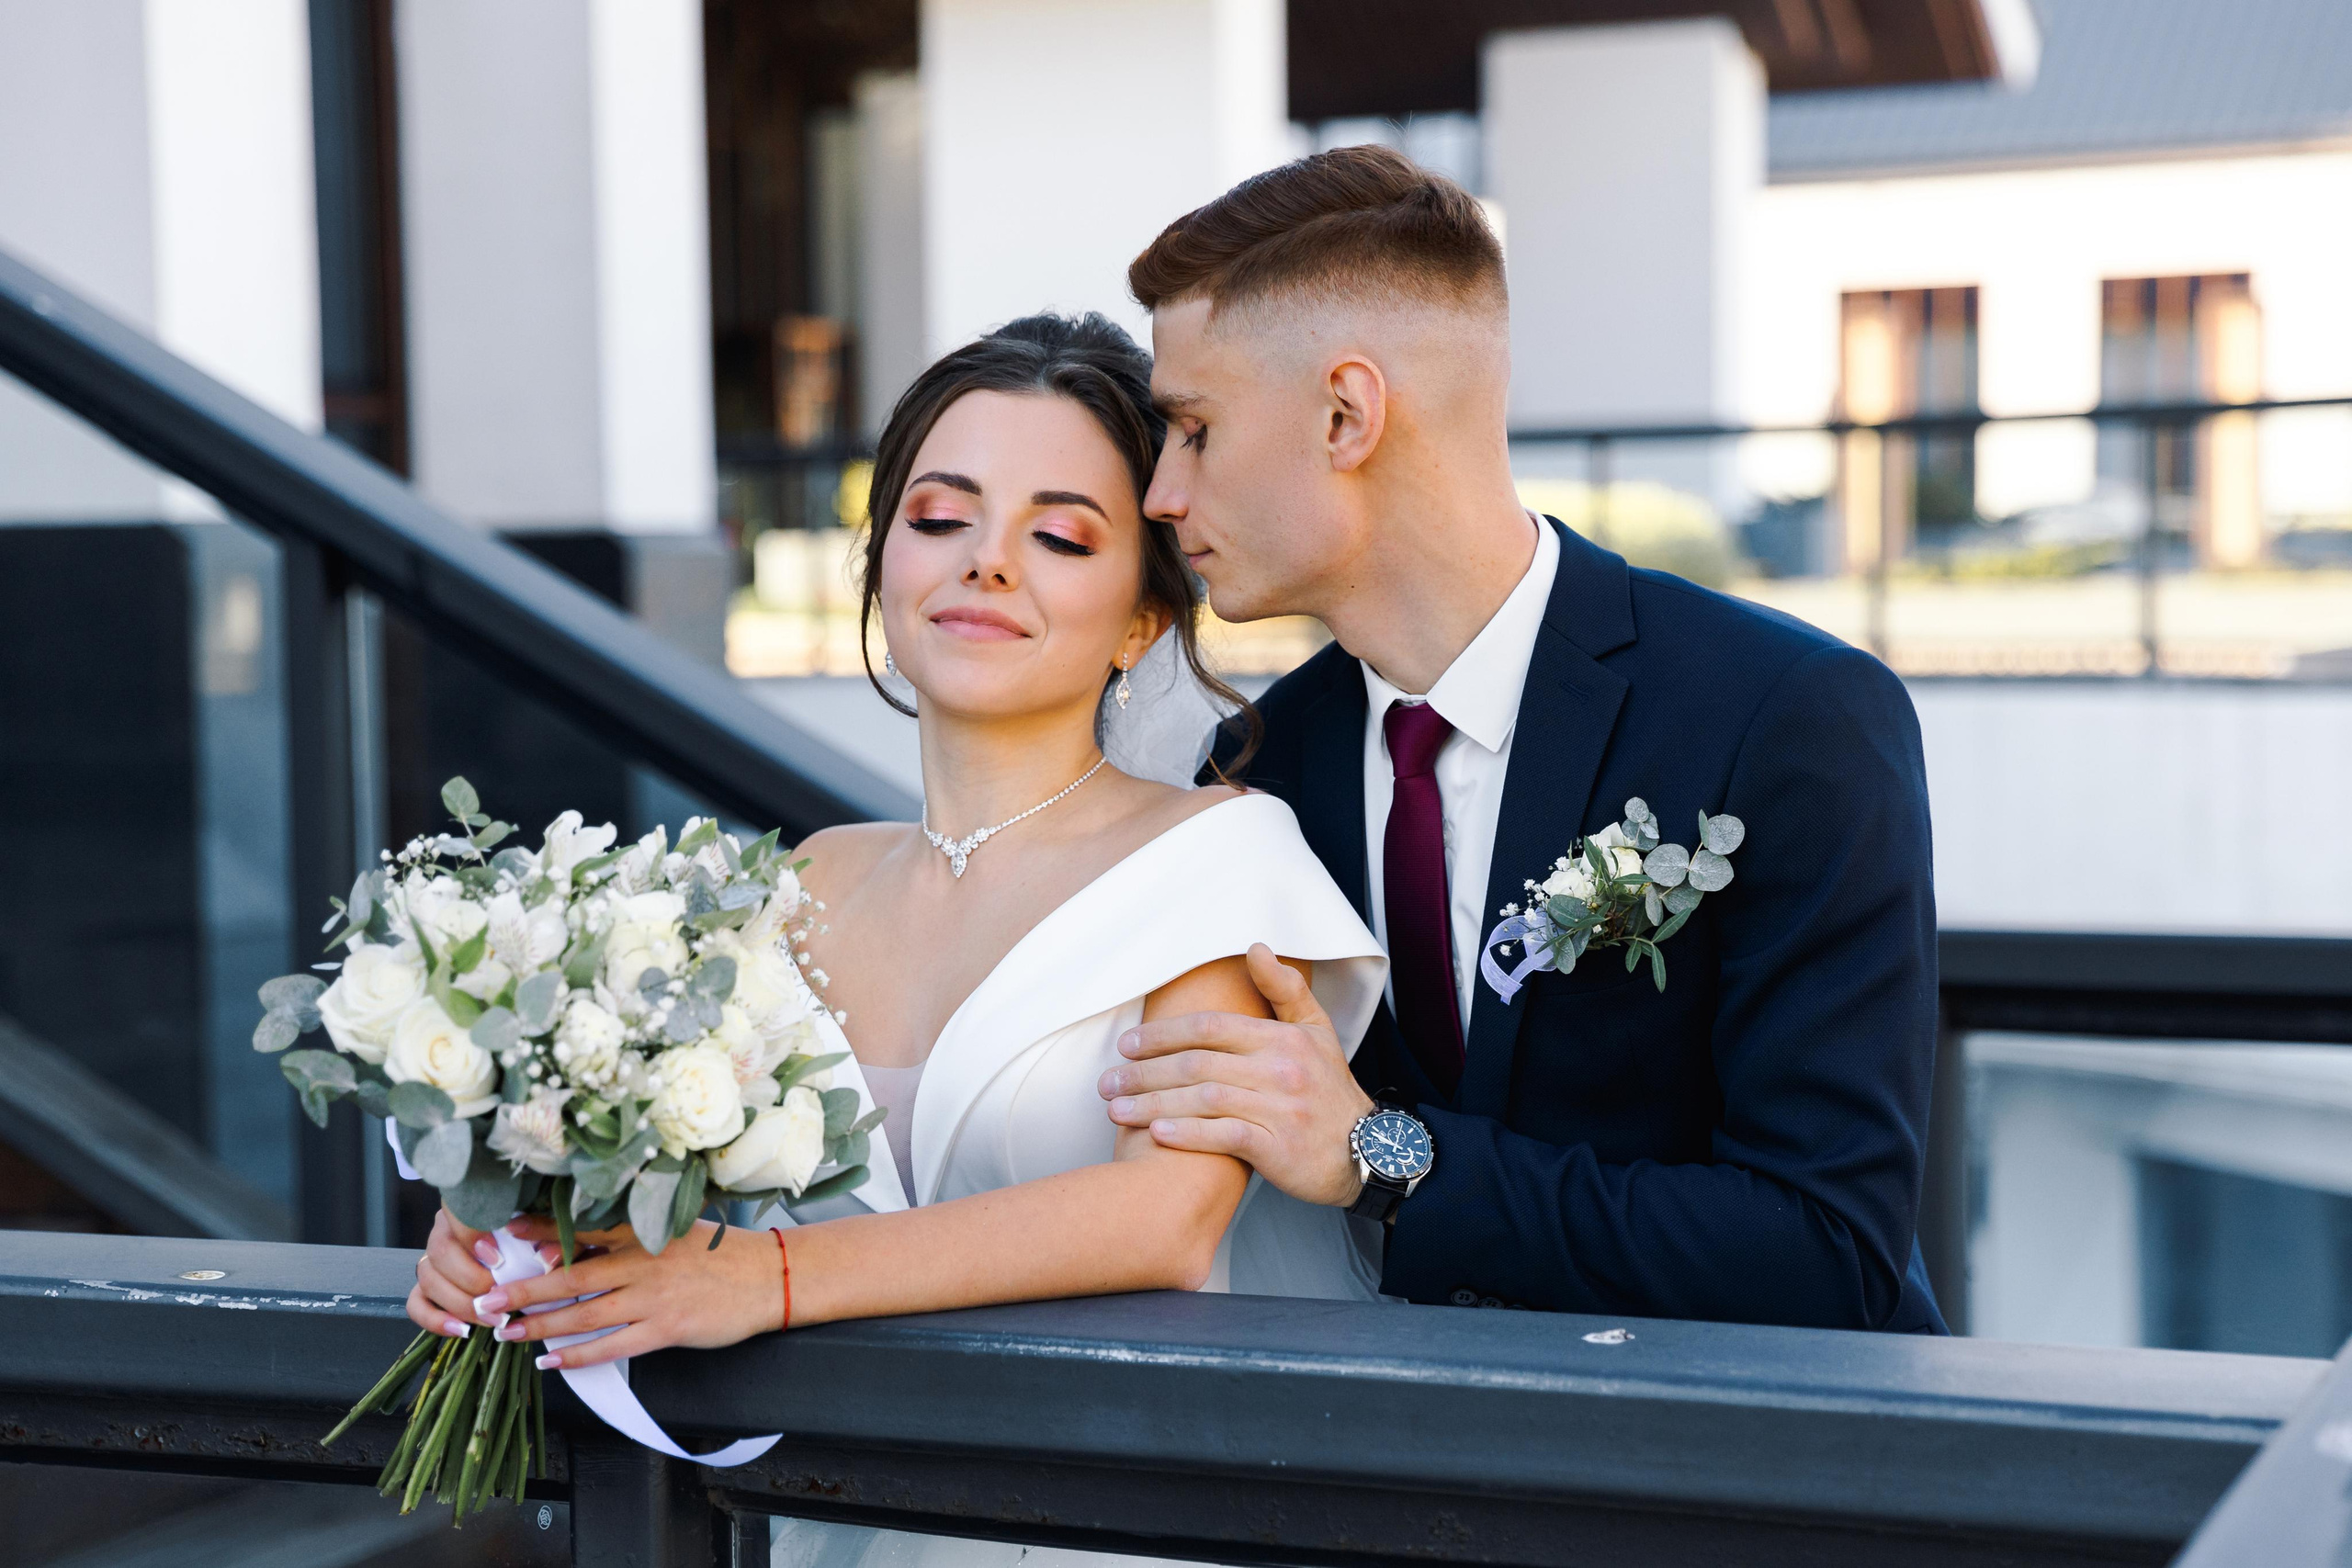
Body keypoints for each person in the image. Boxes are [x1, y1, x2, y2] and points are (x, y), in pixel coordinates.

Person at [404, 314, 1388, 1363]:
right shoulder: (797, 880)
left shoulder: (1217, 861)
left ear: (1142, 621)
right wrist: (507, 1211)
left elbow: (1165, 1220)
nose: (987, 564)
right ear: (881, 563)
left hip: (1116, 1492)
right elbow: (653, 1188)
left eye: (1058, 537)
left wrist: (768, 1279)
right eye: (938, 519)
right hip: (808, 1501)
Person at [1098, 145, 1948, 1334]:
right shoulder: (1256, 769)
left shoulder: (1786, 718)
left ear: (1347, 414)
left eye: (1191, 429)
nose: (1160, 495)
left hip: (1764, 1484)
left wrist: (1381, 1157)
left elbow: (1827, 1250)